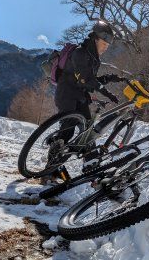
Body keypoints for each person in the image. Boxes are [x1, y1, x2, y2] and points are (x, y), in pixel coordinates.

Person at [45, 20, 122, 178]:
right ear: (96, 39)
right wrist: (106, 93)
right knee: (68, 129)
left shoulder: (93, 58)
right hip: (66, 94)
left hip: (80, 96)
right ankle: (50, 171)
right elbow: (85, 79)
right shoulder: (80, 53)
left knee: (88, 130)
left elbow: (91, 80)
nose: (106, 47)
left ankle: (91, 167)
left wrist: (109, 78)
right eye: (104, 43)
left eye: (108, 45)